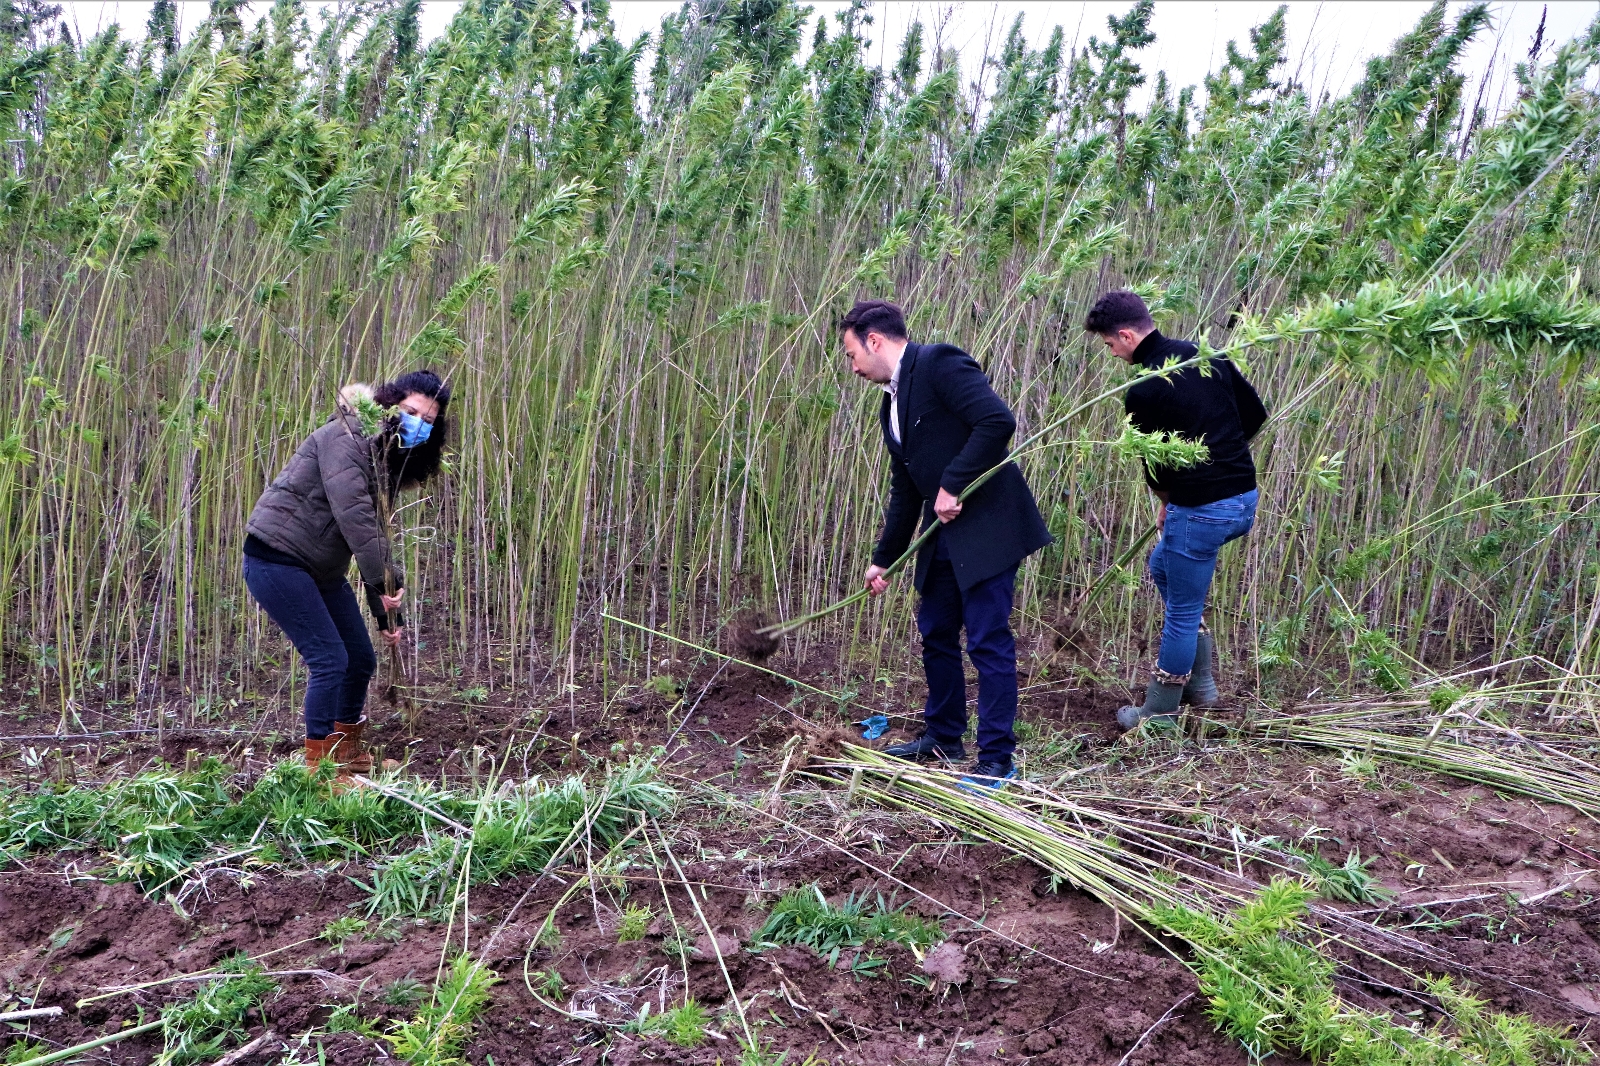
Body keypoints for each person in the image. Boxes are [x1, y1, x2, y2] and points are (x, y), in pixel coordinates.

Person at [844, 299, 1053, 790]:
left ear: (874, 340)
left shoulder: (939, 362)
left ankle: (996, 758)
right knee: (936, 631)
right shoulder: (889, 404)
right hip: (942, 532)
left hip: (989, 527)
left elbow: (997, 421)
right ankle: (943, 738)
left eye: (852, 354)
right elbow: (905, 489)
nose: (852, 367)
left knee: (986, 640)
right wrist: (883, 559)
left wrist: (953, 483)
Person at [243, 370, 451, 778]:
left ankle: (346, 754)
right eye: (411, 412)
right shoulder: (347, 437)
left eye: (427, 421)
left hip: (320, 569)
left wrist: (386, 613)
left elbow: (375, 534)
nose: (417, 424)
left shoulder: (383, 457)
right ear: (388, 404)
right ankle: (319, 772)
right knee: (330, 660)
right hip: (277, 559)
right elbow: (357, 520)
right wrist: (384, 583)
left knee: (359, 659)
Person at [1084, 291, 1266, 730]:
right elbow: (1255, 415)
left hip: (1201, 509)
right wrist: (1222, 456)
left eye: (1110, 345)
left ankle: (1160, 714)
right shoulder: (1204, 355)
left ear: (1127, 335)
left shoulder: (1144, 389)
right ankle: (1200, 686)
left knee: (1182, 613)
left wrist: (1169, 503)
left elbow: (1156, 467)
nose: (1112, 354)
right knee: (1162, 565)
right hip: (1243, 499)